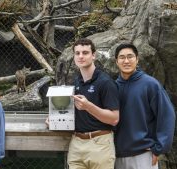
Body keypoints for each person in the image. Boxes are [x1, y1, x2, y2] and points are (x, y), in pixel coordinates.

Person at [114, 43, 175, 169]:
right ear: (116, 61)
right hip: (117, 155)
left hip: (143, 154)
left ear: (137, 59)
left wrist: (159, 147)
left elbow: (166, 115)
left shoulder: (150, 84)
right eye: (122, 57)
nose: (126, 61)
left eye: (130, 56)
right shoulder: (113, 87)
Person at [67, 38, 120, 169]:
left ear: (93, 55)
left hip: (100, 144)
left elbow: (114, 119)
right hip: (76, 144)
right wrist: (54, 118)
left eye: (85, 53)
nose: (80, 56)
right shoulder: (76, 81)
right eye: (77, 53)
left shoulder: (106, 82)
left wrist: (88, 106)